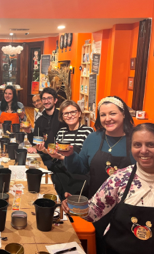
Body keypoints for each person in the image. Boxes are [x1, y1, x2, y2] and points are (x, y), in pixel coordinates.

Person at [62, 123, 154, 254]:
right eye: (137, 145)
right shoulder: (120, 178)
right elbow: (93, 212)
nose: (143, 150)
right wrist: (74, 205)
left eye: (151, 144)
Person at [60, 96, 135, 253]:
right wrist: (70, 155)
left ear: (123, 114)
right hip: (96, 208)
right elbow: (80, 169)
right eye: (103, 115)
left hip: (126, 211)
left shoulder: (135, 139)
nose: (107, 119)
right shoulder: (93, 138)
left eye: (112, 113)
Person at [46, 100, 93, 199]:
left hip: (78, 176)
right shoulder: (61, 132)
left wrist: (62, 157)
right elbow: (57, 152)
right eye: (66, 113)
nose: (70, 115)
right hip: (61, 173)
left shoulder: (88, 131)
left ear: (79, 113)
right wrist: (53, 154)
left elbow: (86, 161)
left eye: (73, 112)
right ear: (62, 117)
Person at [24, 87, 65, 168]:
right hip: (44, 156)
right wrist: (29, 132)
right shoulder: (40, 120)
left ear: (55, 100)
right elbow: (36, 141)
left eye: (49, 98)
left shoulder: (62, 117)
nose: (46, 101)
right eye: (44, 99)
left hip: (59, 158)